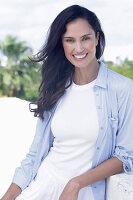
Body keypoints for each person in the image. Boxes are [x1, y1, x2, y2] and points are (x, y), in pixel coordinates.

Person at [1, 4, 133, 200]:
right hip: (41, 187)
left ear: (97, 38)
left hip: (82, 192)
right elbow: (34, 154)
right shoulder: (56, 87)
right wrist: (7, 197)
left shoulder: (122, 89)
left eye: (85, 38)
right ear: (61, 44)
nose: (78, 48)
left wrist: (75, 183)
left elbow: (125, 156)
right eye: (70, 40)